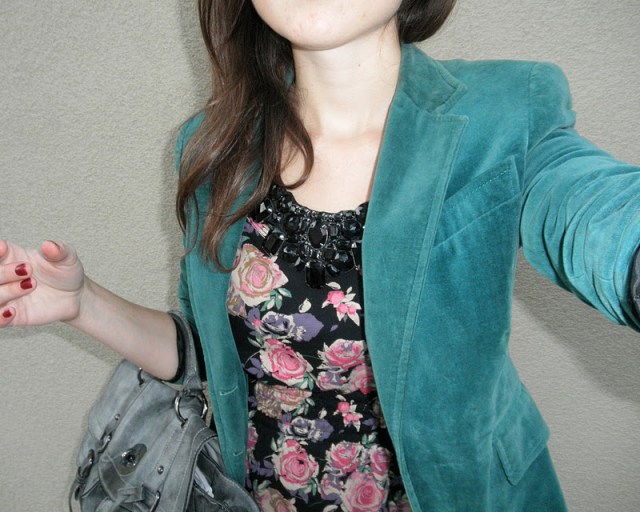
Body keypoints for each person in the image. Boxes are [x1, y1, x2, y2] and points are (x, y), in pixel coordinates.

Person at [1, 1, 639, 510]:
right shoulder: (214, 148)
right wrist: (82, 303)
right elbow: (209, 357)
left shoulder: (504, 115)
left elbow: (589, 211)